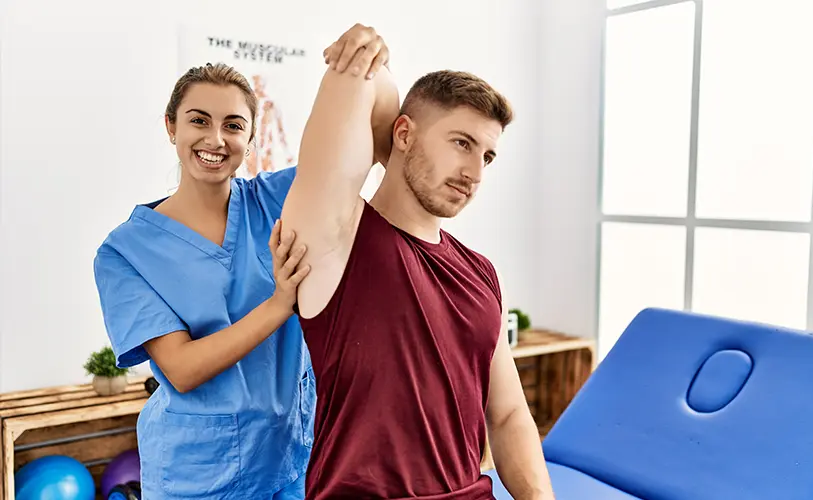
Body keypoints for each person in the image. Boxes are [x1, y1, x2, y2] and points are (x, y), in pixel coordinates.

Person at [92, 26, 391, 499]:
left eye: (233, 125)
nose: (215, 139)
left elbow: (376, 141)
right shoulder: (125, 252)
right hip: (197, 476)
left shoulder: (279, 199)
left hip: (293, 456)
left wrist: (372, 66)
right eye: (198, 120)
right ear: (171, 127)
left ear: (251, 138)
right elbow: (181, 369)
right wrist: (279, 304)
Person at [281, 24, 556, 499]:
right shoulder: (338, 238)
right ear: (403, 133)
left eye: (488, 156)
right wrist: (373, 59)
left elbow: (508, 414)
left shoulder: (481, 272)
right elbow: (354, 84)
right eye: (461, 143)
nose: (474, 172)